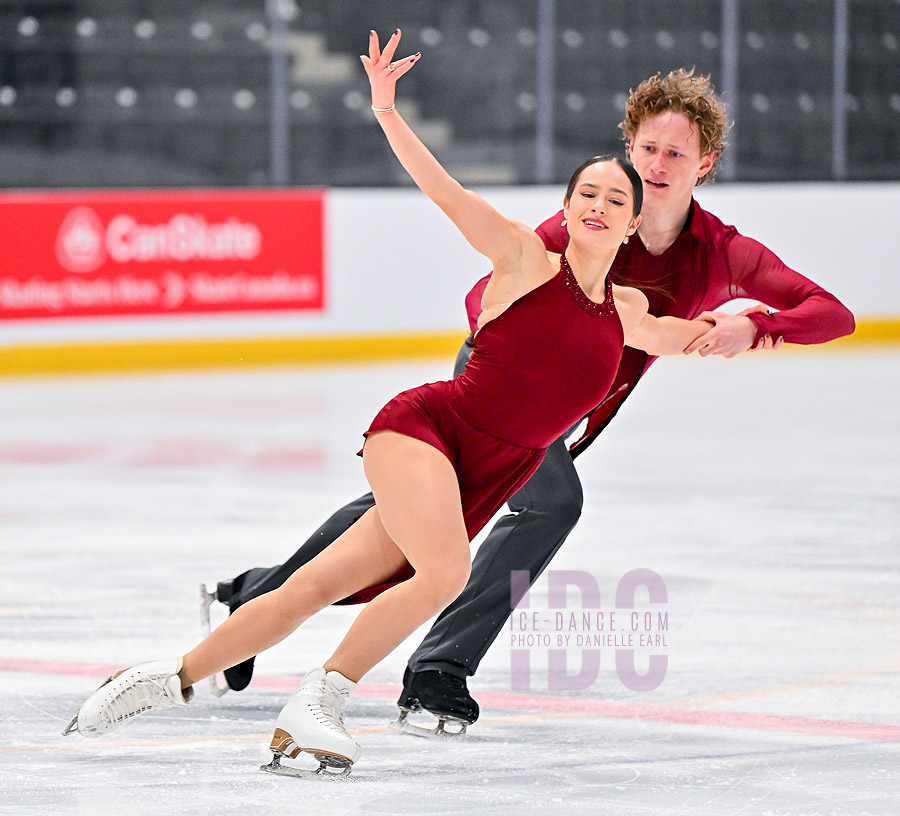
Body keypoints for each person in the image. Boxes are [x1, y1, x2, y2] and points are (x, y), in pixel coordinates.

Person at [64, 31, 720, 775]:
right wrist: (386, 110)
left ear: (636, 222)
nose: (599, 206)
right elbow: (444, 190)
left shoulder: (626, 307)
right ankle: (320, 701)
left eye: (616, 200)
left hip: (484, 475)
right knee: (441, 573)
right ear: (566, 209)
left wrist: (747, 331)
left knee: (313, 587)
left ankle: (162, 678)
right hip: (427, 431)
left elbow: (683, 336)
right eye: (586, 195)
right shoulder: (524, 258)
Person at [203, 64, 856, 731]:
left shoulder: (722, 255)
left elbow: (833, 314)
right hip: (499, 384)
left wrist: (757, 324)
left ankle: (255, 595)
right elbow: (482, 296)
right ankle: (439, 670)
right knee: (547, 504)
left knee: (400, 518)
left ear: (705, 162)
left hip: (560, 412)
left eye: (676, 154)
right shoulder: (581, 227)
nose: (658, 165)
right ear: (628, 149)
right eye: (647, 149)